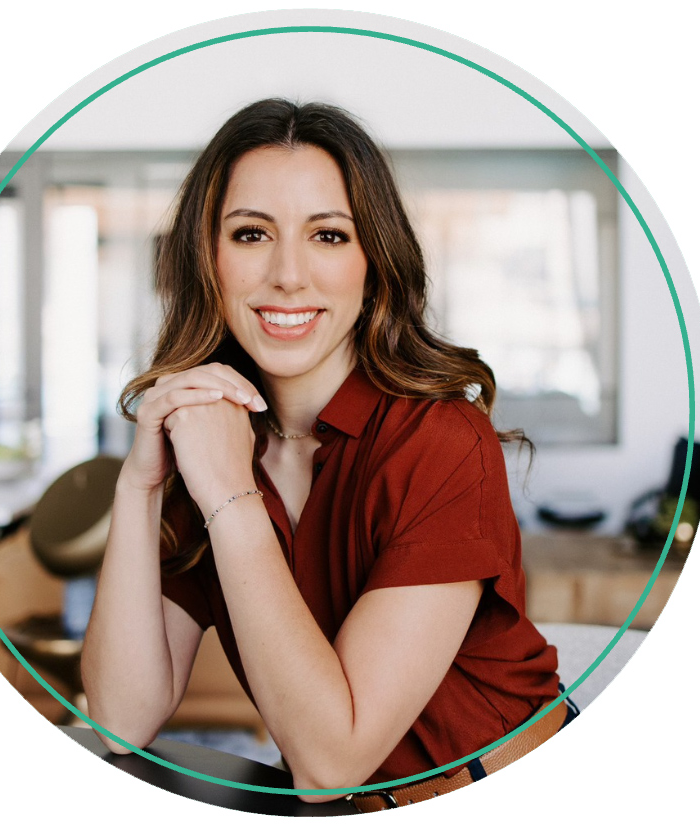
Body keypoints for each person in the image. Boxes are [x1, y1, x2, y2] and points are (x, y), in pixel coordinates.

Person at [80, 98, 574, 810]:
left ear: (373, 262)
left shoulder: (439, 443)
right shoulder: (213, 443)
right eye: (250, 233)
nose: (287, 274)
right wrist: (139, 486)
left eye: (329, 236)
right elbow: (120, 720)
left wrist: (228, 495)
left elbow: (329, 761)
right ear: (206, 259)